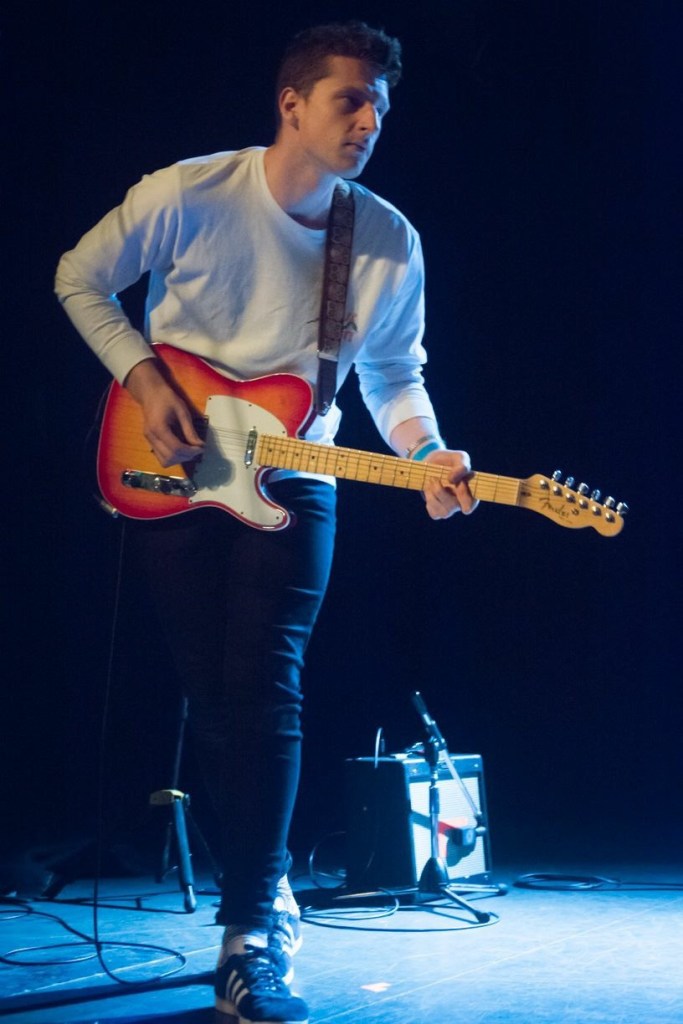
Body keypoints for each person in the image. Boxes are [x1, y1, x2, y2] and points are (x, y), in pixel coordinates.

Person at [55, 20, 478, 1024]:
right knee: (215, 696)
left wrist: (425, 452)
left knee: (265, 686)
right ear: (291, 103)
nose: (369, 122)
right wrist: (143, 377)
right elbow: (79, 275)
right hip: (171, 462)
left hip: (297, 477)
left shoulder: (385, 241)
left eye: (380, 106)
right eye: (349, 100)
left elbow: (393, 375)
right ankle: (266, 884)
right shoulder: (191, 193)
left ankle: (249, 929)